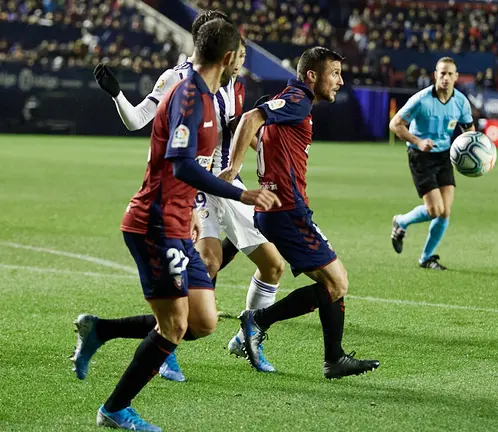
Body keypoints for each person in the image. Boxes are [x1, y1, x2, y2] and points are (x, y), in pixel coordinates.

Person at [80, 19, 282, 430]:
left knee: (203, 322)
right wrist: (240, 193)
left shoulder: (209, 95)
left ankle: (100, 330)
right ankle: (115, 409)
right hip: (154, 221)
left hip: (179, 216)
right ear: (228, 58)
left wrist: (191, 208)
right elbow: (182, 164)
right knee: (174, 325)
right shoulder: (189, 94)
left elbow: (189, 166)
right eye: (239, 58)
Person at [222, 46, 380, 379]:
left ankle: (334, 358)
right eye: (334, 73)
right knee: (338, 283)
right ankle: (257, 321)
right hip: (287, 211)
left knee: (331, 281)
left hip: (280, 210)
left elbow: (260, 131)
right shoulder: (298, 100)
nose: (340, 81)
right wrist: (232, 167)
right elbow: (251, 118)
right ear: (312, 75)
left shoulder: (292, 102)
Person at [388, 57, 474, 270]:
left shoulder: (461, 101)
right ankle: (401, 221)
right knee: (435, 209)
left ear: (456, 77)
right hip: (421, 156)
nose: (445, 77)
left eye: (449, 74)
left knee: (445, 211)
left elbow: (469, 130)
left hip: (445, 156)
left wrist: (472, 152)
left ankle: (426, 258)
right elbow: (395, 124)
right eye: (441, 73)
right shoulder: (421, 99)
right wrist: (418, 141)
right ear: (435, 75)